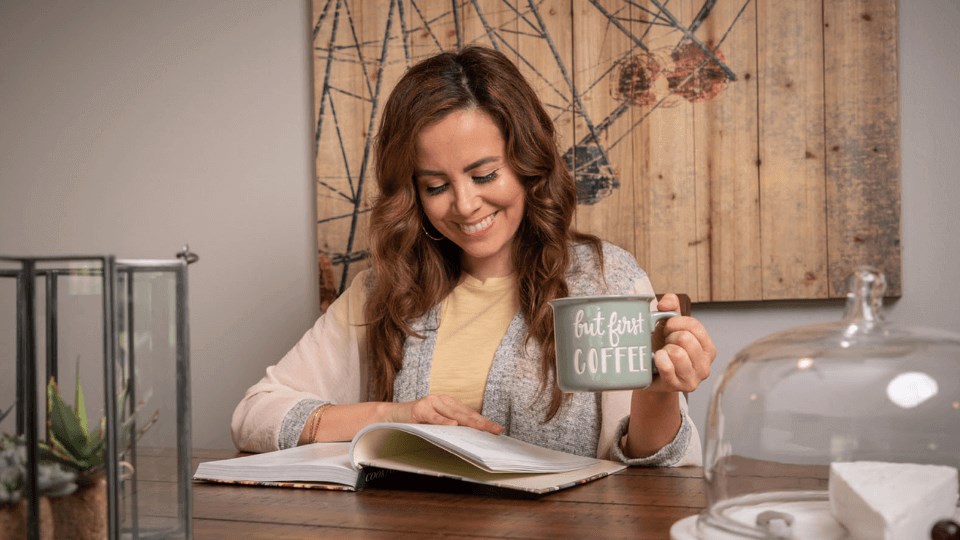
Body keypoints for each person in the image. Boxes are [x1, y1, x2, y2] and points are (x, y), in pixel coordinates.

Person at [231, 46, 716, 466]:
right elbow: (255, 414)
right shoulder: (384, 292)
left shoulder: (605, 278)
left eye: (484, 176)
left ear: (527, 164)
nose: (464, 205)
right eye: (436, 186)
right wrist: (394, 417)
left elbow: (655, 471)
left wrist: (659, 392)